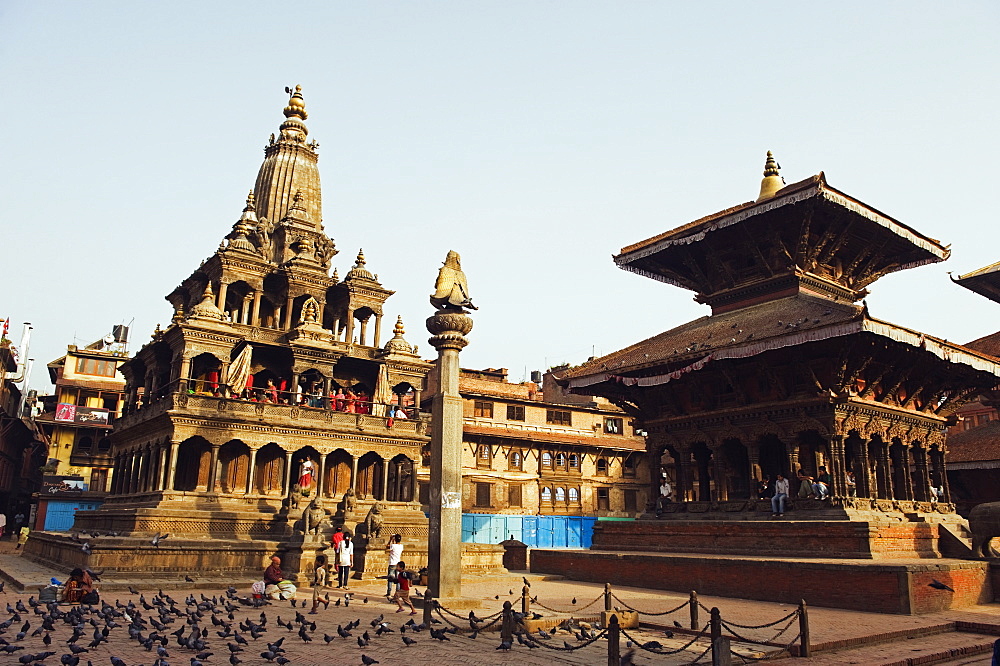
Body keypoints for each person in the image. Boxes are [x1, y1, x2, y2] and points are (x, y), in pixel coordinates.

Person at [385, 534, 404, 598]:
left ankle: (389, 592)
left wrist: (390, 539)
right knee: (398, 579)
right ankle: (397, 592)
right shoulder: (401, 546)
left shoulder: (393, 545)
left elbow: (387, 546)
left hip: (392, 564)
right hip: (398, 564)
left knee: (390, 578)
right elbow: (393, 547)